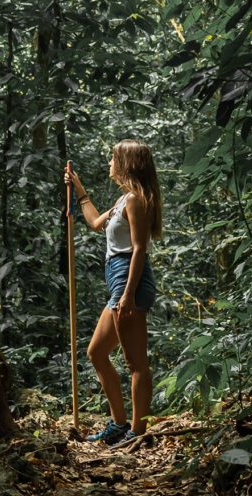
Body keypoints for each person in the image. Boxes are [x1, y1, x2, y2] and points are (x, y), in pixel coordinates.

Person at [64, 139, 163, 445]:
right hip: (118, 281)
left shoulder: (135, 200)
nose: (109, 163)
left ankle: (137, 432)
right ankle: (119, 424)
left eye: (112, 159)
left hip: (128, 281)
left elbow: (138, 250)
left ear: (126, 164)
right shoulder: (123, 200)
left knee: (136, 364)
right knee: (96, 353)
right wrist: (79, 191)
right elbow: (95, 223)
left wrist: (128, 294)